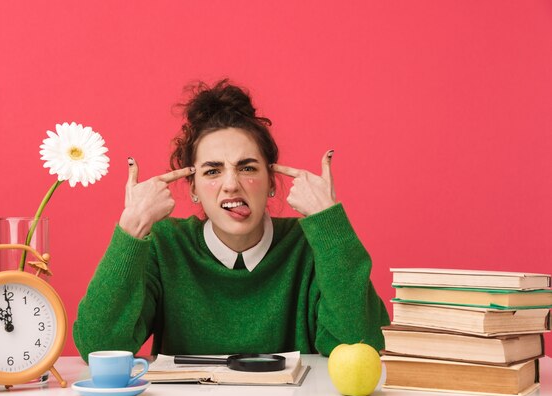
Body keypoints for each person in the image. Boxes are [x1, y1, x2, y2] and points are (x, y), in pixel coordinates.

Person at [73, 79, 390, 361]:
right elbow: (97, 346)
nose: (231, 184)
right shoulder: (164, 245)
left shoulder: (310, 243)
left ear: (270, 182)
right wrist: (132, 228)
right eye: (212, 171)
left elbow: (363, 343)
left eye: (248, 167)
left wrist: (328, 223)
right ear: (193, 189)